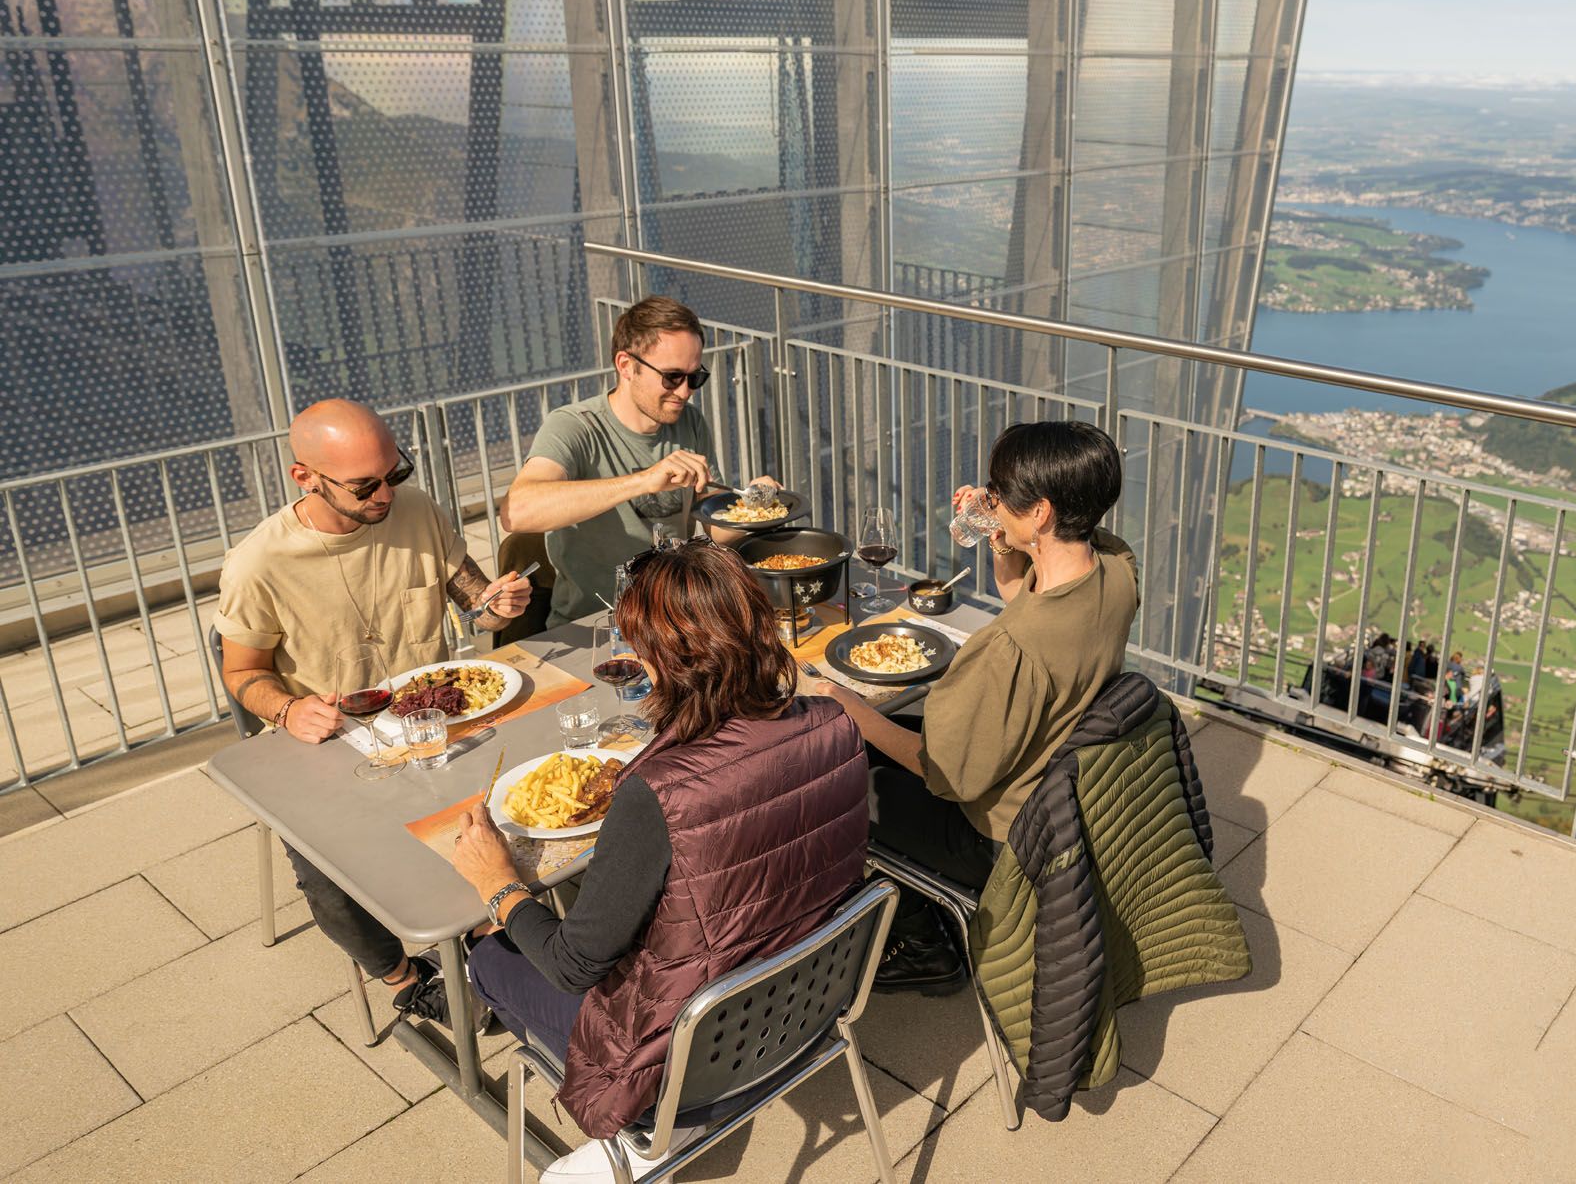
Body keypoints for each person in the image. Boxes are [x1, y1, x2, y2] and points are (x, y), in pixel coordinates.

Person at [449, 541, 867, 1181]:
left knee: (487, 955)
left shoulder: (658, 791)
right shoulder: (836, 721)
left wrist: (498, 885)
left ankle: (640, 1135)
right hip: (810, 1007)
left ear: (663, 659)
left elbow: (572, 965)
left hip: (690, 1057)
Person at [215, 399, 533, 1025]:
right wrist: (286, 711)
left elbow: (476, 606)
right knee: (324, 873)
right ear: (304, 476)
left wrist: (502, 605)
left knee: (526, 796)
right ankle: (403, 976)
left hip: (437, 728)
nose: (387, 494)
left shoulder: (416, 512)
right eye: (365, 485)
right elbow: (242, 673)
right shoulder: (259, 564)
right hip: (329, 745)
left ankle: (488, 935)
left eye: (397, 473)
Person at [807, 420, 1138, 990]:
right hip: (1053, 787)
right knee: (878, 737)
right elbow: (1022, 595)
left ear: (1041, 512)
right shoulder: (1117, 571)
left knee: (831, 784)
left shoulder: (1011, 651)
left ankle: (924, 945)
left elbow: (944, 772)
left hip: (1001, 835)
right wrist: (1005, 530)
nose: (991, 499)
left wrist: (844, 703)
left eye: (1000, 491)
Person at [499, 296, 776, 625]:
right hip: (596, 627)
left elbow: (715, 532)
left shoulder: (690, 423)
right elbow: (516, 512)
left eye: (695, 377)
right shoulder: (575, 426)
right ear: (626, 366)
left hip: (673, 621)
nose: (686, 391)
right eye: (672, 377)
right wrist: (643, 480)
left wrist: (750, 508)